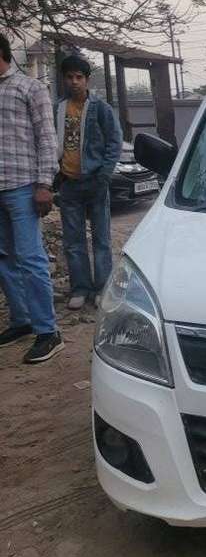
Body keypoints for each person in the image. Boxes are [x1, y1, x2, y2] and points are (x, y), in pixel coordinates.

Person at [0, 32, 64, 363]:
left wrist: (44, 184)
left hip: (23, 187)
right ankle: (22, 321)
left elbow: (46, 138)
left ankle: (48, 332)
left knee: (30, 258)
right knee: (4, 261)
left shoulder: (30, 88)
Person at [56, 53, 122, 309]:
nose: (74, 82)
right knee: (73, 241)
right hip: (69, 183)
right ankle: (80, 288)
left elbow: (115, 142)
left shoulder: (100, 109)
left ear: (87, 80)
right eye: (69, 77)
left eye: (79, 77)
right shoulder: (58, 108)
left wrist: (104, 176)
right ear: (64, 80)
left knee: (101, 239)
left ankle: (102, 288)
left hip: (95, 182)